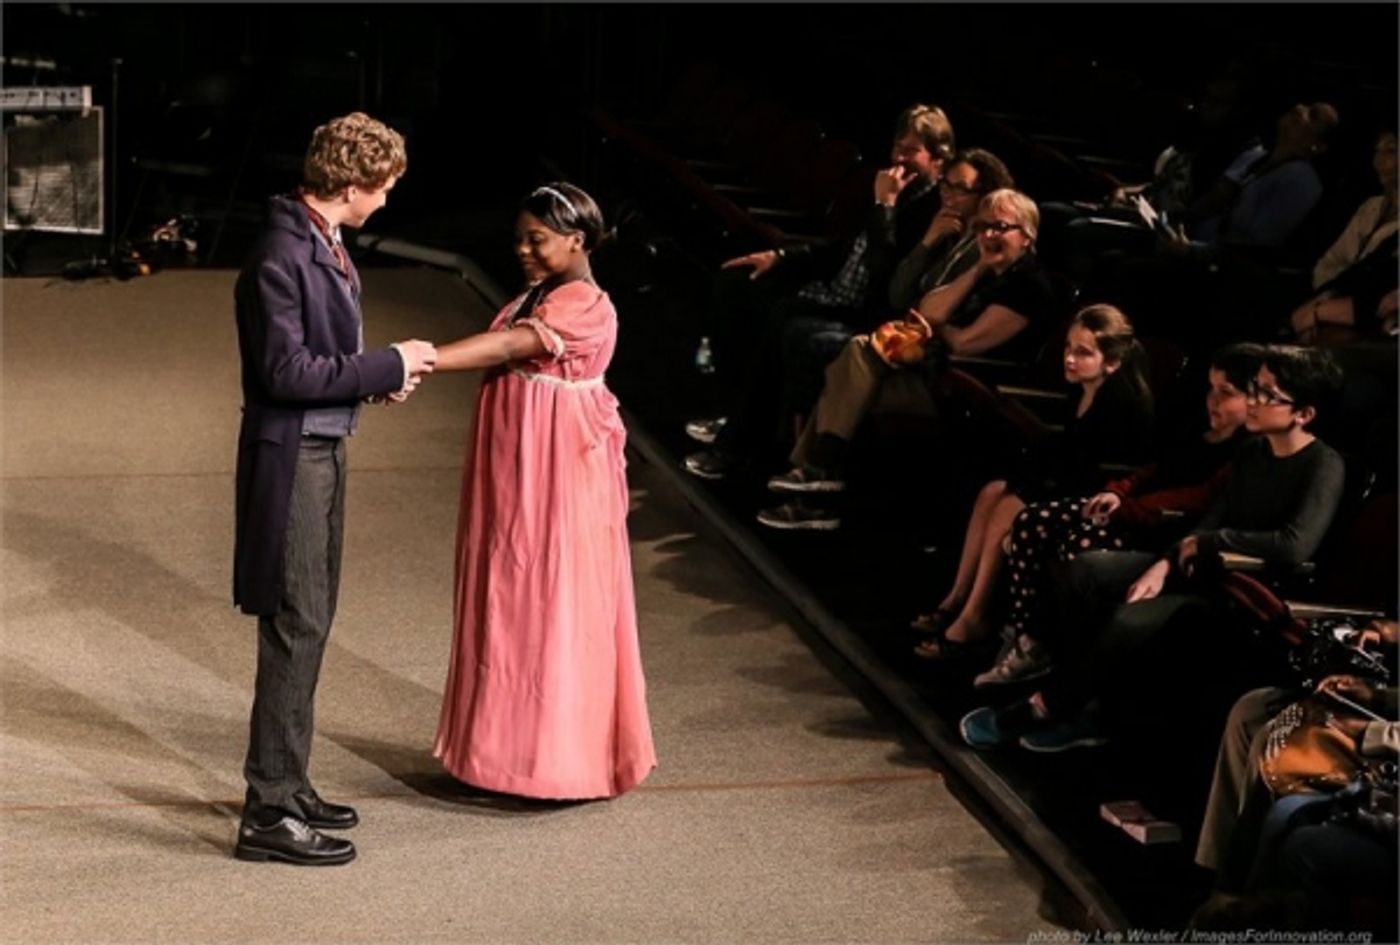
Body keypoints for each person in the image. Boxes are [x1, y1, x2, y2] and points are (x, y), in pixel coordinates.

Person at [960, 345, 1346, 754]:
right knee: (1086, 569)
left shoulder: (1323, 465)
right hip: (1200, 567)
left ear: (1303, 414)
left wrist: (1208, 543)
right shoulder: (1252, 452)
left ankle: (1048, 707)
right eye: (1255, 388)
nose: (1253, 401)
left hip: (1241, 591)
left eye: (1268, 395)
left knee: (1130, 619)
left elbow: (1293, 545)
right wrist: (1165, 563)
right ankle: (1075, 694)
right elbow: (1212, 519)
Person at [232, 113, 437, 866]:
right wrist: (386, 363)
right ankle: (269, 807)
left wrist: (370, 383)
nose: (386, 201)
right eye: (382, 190)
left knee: (312, 618)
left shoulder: (324, 240)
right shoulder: (280, 254)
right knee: (296, 620)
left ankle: (288, 781)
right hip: (292, 457)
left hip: (323, 443)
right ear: (351, 186)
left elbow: (321, 356)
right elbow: (283, 374)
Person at [430, 182, 657, 800]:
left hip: (554, 479)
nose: (523, 251)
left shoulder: (583, 303)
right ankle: (494, 752)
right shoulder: (542, 290)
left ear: (576, 240)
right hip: (516, 473)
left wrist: (423, 359)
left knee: (545, 601)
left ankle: (548, 760)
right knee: (507, 596)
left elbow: (512, 344)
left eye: (537, 239)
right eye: (520, 240)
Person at [756, 188, 1057, 531]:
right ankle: (817, 481)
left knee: (853, 366)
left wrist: (935, 327)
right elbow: (926, 309)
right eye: (982, 227)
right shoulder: (988, 274)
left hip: (973, 396)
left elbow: (964, 344)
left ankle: (815, 482)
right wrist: (976, 271)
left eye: (1000, 227)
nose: (988, 235)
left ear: (1027, 235)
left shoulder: (1030, 287)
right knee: (849, 371)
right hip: (935, 378)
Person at [682, 103, 954, 478]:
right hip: (834, 291)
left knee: (787, 318)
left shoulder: (929, 210)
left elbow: (884, 274)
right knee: (739, 283)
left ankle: (739, 443)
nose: (899, 158)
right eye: (897, 147)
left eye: (912, 151)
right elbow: (839, 247)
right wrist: (779, 256)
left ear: (938, 160)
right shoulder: (891, 190)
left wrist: (885, 206)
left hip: (871, 313)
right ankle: (735, 416)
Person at [968, 342, 1260, 688]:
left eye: (1226, 393)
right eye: (1211, 389)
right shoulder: (1196, 430)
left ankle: (1058, 657)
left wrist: (1130, 507)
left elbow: (1198, 499)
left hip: (1157, 527)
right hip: (1129, 508)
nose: (1213, 399)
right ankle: (1025, 635)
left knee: (1078, 544)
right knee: (1032, 521)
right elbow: (1151, 470)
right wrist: (1116, 491)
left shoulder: (1242, 455)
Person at [908, 303, 1155, 664]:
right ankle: (956, 599)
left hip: (1095, 499)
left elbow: (1098, 470)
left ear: (1113, 362)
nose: (1069, 359)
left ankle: (974, 618)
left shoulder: (1122, 404)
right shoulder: (1080, 391)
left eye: (1083, 353)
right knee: (992, 490)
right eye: (1069, 349)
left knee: (1010, 504)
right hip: (1068, 483)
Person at [1288, 129, 1399, 342]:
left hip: (1363, 321)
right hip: (1328, 303)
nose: (1379, 159)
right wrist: (1323, 299)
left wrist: (1326, 310)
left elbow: (1383, 284)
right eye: (1378, 151)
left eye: (1392, 150)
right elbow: (1331, 262)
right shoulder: (1370, 207)